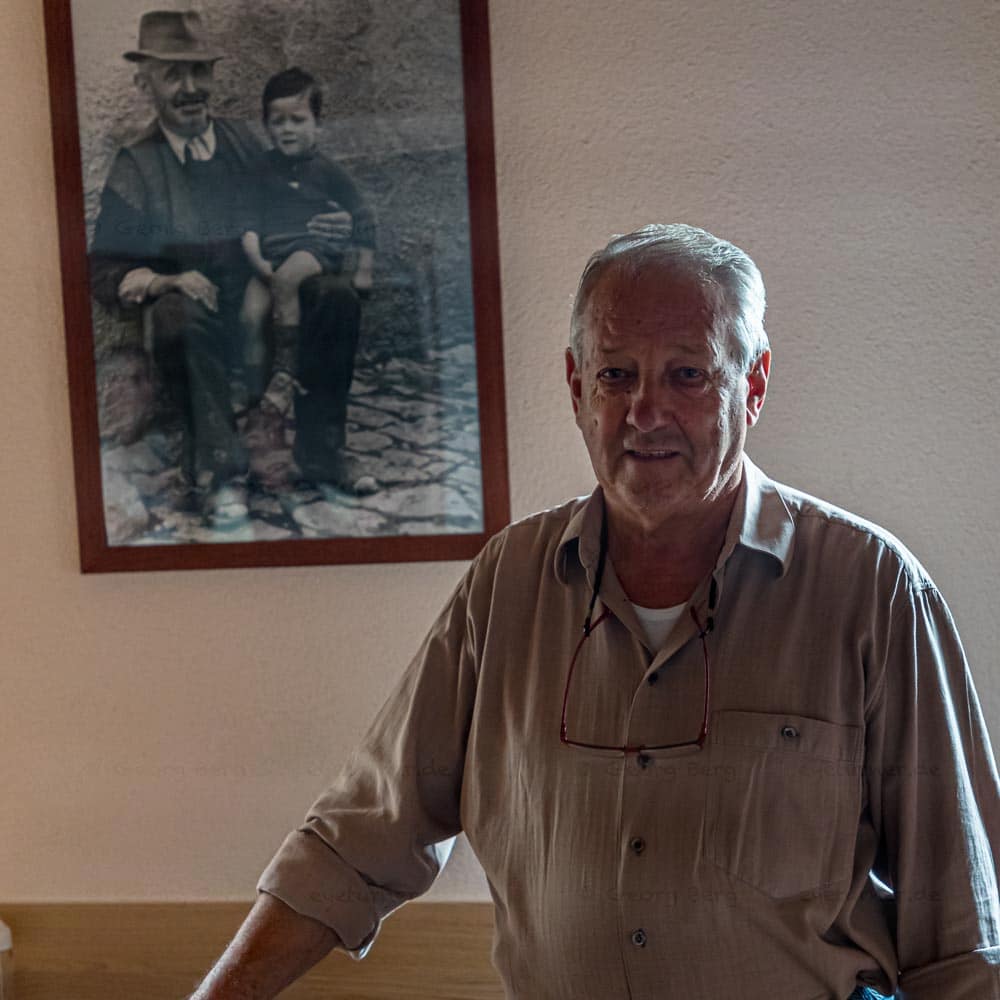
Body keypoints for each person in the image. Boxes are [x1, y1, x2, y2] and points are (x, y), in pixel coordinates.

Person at [192, 225, 999, 999]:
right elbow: (352, 847)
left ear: (751, 386)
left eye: (688, 374)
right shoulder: (506, 587)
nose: (646, 411)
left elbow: (962, 932)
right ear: (577, 386)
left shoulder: (873, 592)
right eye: (617, 375)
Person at [89, 11, 374, 527]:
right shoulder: (137, 166)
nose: (190, 88)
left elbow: (296, 196)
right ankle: (219, 471)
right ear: (144, 81)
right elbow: (105, 268)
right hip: (195, 304)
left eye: (200, 71)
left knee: (336, 295)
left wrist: (332, 224)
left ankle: (322, 451)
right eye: (173, 74)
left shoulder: (245, 141)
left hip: (261, 292)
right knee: (177, 315)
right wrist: (163, 281)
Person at [240, 66, 375, 423]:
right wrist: (255, 258)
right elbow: (249, 220)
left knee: (285, 282)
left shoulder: (328, 171)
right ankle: (254, 388)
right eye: (277, 121)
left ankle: (285, 374)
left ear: (318, 125)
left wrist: (364, 269)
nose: (287, 129)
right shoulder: (260, 169)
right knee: (250, 314)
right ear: (266, 125)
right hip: (270, 255)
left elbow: (361, 215)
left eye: (297, 120)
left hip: (312, 250)